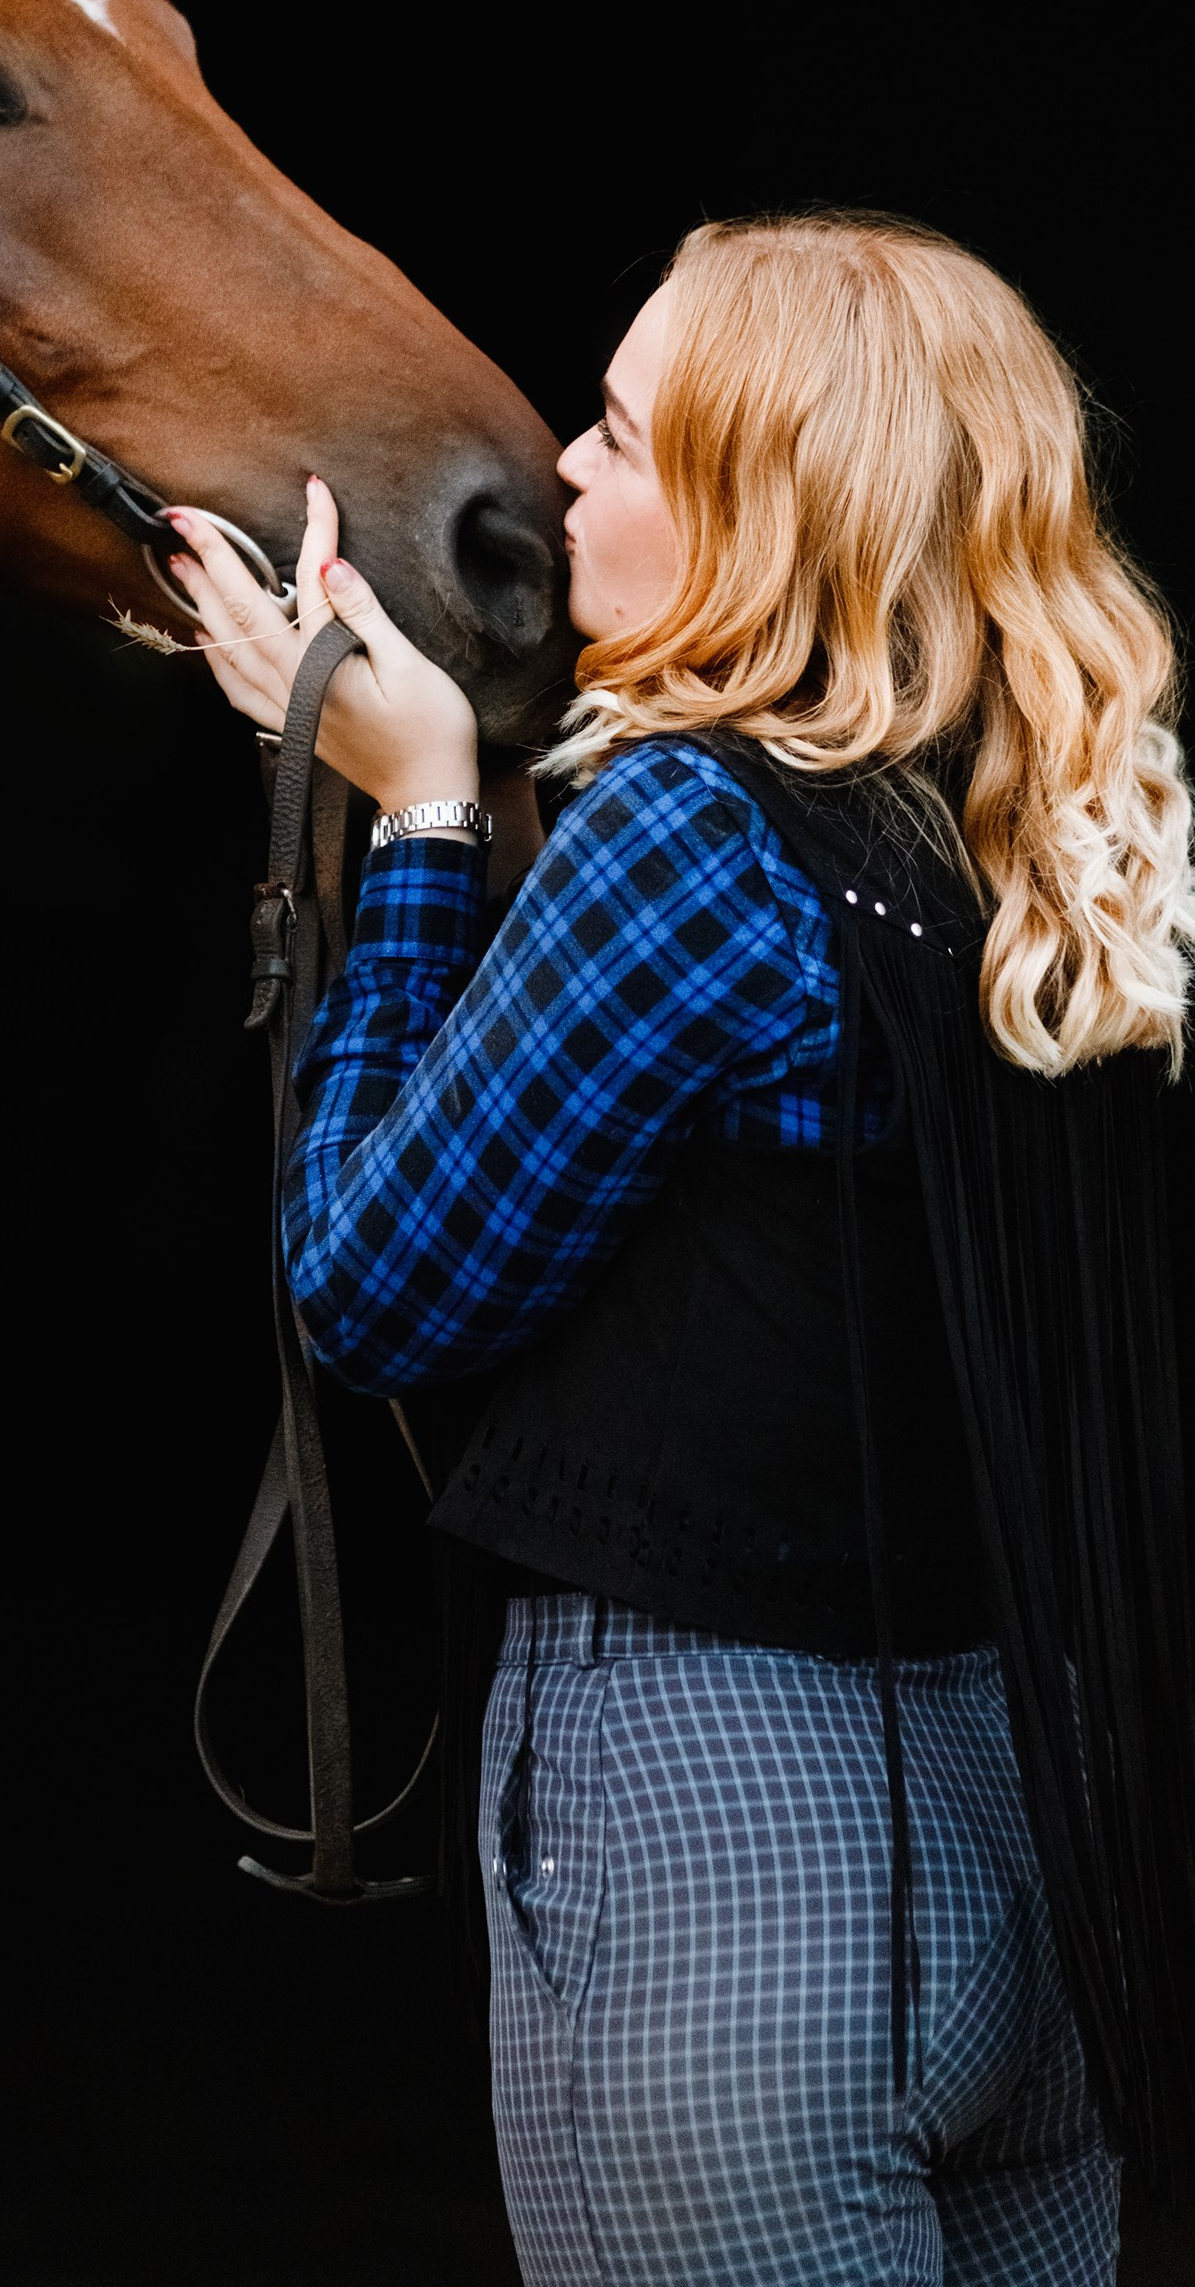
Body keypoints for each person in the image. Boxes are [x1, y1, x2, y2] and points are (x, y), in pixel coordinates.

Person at [166, 211, 1195, 2287]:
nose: (560, 463)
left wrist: (426, 820)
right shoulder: (1064, 819)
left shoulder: (691, 836)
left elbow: (369, 1279)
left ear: (755, 517)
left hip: (731, 1835)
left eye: (626, 439)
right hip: (1049, 1833)